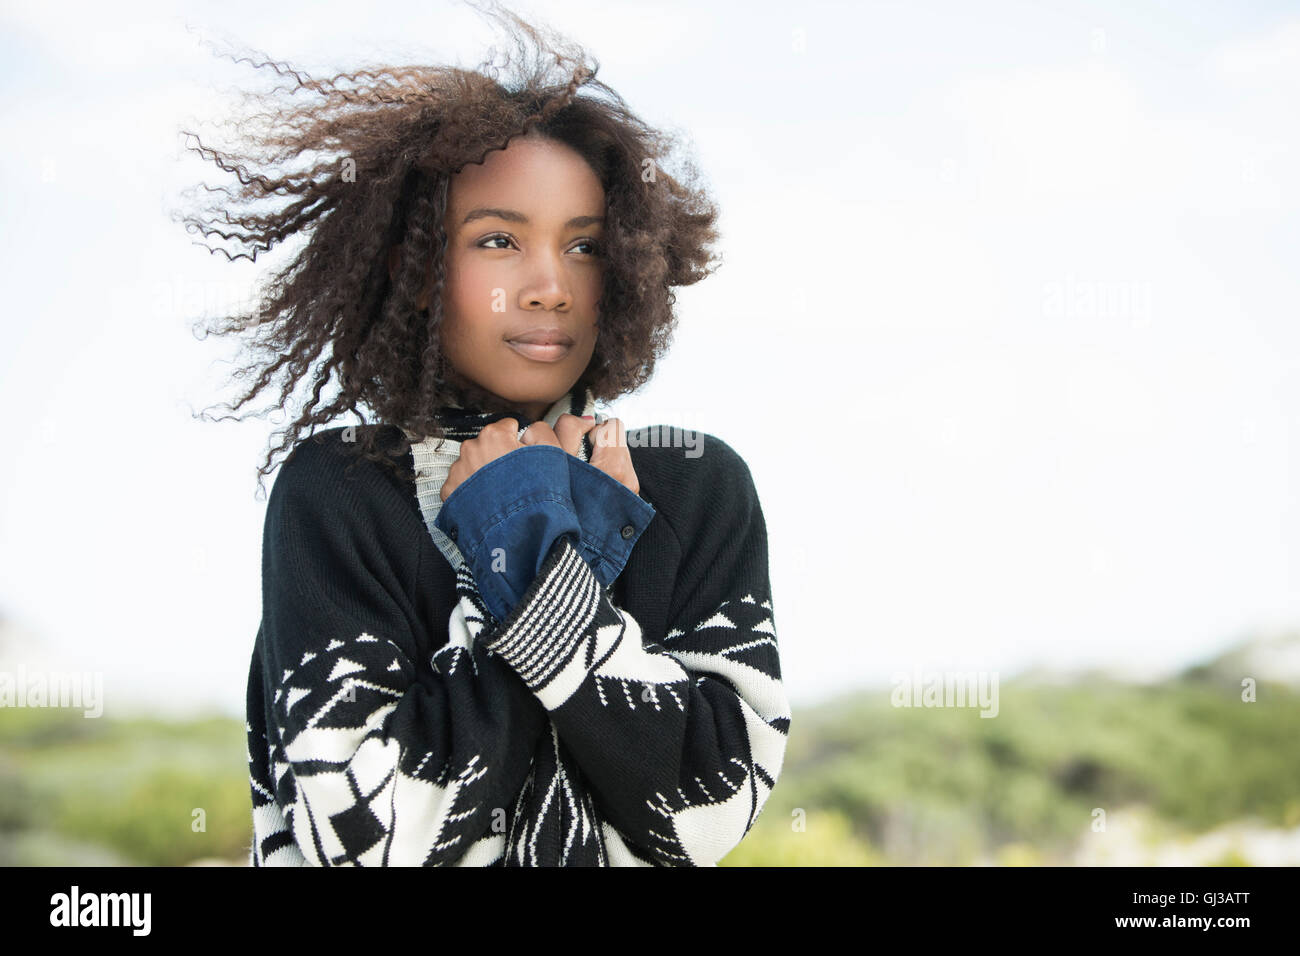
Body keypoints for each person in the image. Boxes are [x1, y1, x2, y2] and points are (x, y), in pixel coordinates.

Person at [184, 2, 790, 866]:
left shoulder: (693, 485)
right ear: (420, 269)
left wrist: (539, 556)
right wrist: (531, 544)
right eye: (500, 239)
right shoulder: (345, 492)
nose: (548, 287)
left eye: (584, 247)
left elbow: (704, 816)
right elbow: (372, 840)